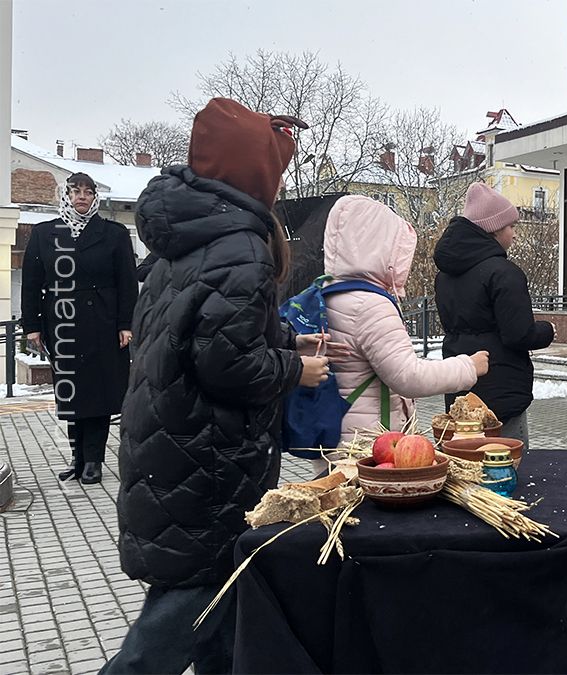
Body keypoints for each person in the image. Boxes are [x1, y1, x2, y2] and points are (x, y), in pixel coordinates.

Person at [103, 98, 331, 674]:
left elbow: (198, 332)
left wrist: (282, 341)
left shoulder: (192, 237)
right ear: (256, 175)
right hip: (206, 461)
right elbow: (225, 365)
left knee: (220, 619)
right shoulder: (242, 246)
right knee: (181, 617)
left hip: (174, 446)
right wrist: (293, 370)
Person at [321, 194, 489, 462]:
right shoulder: (370, 305)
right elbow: (408, 377)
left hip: (336, 436)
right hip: (371, 447)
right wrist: (468, 366)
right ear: (380, 247)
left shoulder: (329, 293)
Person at [20, 172, 137, 485]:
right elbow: (31, 282)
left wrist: (126, 323)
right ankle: (77, 457)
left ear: (95, 196)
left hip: (102, 322)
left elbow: (127, 281)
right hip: (62, 324)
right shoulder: (45, 233)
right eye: (75, 191)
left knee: (98, 393)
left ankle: (93, 461)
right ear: (65, 195)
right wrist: (32, 325)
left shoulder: (113, 233)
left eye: (87, 192)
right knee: (72, 393)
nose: (81, 197)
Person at [434, 182, 555, 448]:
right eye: (511, 227)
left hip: (460, 377)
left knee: (464, 457)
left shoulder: (445, 274)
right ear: (494, 229)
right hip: (501, 384)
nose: (514, 234)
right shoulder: (504, 273)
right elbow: (518, 334)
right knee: (506, 461)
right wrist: (547, 330)